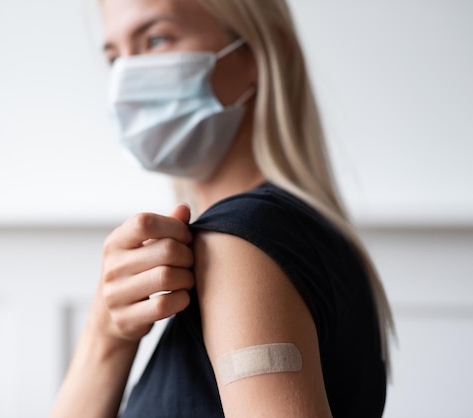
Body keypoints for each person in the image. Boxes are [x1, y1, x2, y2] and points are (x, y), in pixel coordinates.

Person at [51, 0, 394, 416]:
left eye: (156, 39)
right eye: (115, 57)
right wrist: (107, 333)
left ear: (259, 54)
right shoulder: (293, 235)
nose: (128, 77)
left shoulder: (241, 244)